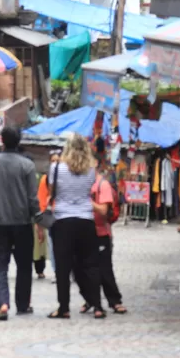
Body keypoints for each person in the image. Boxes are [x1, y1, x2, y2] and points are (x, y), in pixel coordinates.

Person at [0, 127, 40, 321]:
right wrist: (37, 217)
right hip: (22, 221)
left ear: (2, 140)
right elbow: (32, 197)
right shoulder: (27, 165)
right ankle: (23, 304)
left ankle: (3, 303)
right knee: (24, 264)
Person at [47, 134, 105, 320]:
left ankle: (63, 307)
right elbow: (89, 193)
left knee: (63, 267)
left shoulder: (56, 168)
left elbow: (51, 192)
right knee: (91, 265)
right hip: (86, 220)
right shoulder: (90, 170)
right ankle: (97, 306)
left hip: (63, 220)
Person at [83, 166, 127, 314]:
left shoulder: (103, 185)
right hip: (85, 231)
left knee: (104, 268)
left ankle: (114, 300)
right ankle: (90, 300)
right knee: (85, 269)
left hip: (101, 232)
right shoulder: (81, 183)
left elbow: (103, 210)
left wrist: (87, 202)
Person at [37, 151, 60, 283]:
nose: (55, 165)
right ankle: (57, 272)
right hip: (51, 216)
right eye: (53, 161)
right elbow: (41, 202)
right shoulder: (44, 180)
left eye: (58, 161)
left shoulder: (67, 178)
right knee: (52, 246)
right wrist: (39, 226)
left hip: (65, 215)